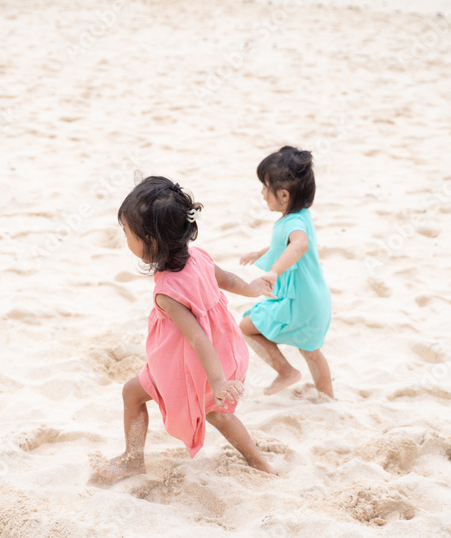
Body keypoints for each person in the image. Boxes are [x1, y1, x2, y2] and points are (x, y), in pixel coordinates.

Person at [94, 176, 276, 479]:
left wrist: (217, 382)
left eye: (127, 232)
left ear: (149, 242)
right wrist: (253, 288)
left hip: (190, 365)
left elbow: (195, 336)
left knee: (132, 393)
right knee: (216, 412)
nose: (125, 238)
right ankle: (258, 460)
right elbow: (229, 280)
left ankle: (133, 458)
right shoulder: (199, 257)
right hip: (223, 353)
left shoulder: (167, 290)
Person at [239, 146, 333, 399]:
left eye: (264, 187)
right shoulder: (301, 216)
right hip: (316, 298)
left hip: (298, 301)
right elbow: (286, 243)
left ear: (282, 195)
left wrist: (273, 272)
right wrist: (260, 253)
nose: (261, 193)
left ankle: (286, 371)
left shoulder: (292, 223)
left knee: (246, 327)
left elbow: (299, 244)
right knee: (312, 352)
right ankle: (328, 400)